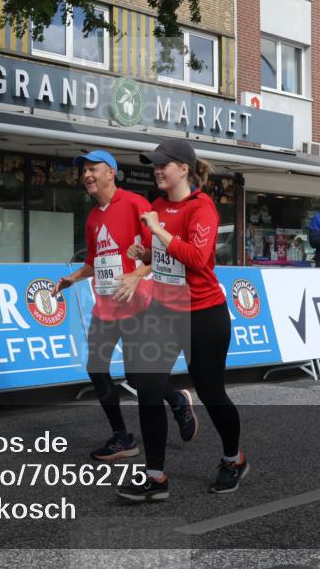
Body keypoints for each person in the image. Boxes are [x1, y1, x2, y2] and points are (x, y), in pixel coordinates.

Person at [117, 139, 244, 502]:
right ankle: (155, 477)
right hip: (166, 308)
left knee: (211, 392)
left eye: (163, 164)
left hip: (204, 313)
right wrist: (144, 256)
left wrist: (158, 233)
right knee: (148, 386)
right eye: (154, 164)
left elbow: (199, 259)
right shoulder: (157, 205)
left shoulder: (201, 207)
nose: (156, 169)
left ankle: (233, 458)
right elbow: (165, 260)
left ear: (184, 169)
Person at [54, 150, 196, 462]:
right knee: (96, 368)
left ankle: (177, 400)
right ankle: (122, 437)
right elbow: (94, 262)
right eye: (84, 171)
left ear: (111, 173)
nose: (87, 176)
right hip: (105, 307)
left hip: (138, 304)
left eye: (93, 169)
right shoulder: (93, 217)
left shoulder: (135, 204)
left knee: (137, 377)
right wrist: (72, 278)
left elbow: (161, 252)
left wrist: (137, 274)